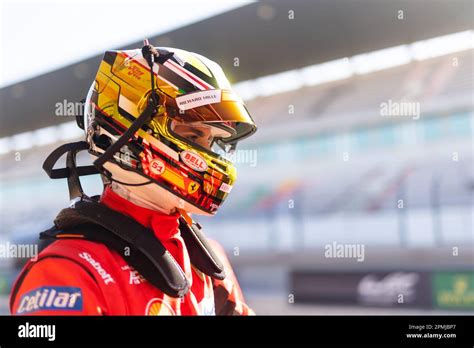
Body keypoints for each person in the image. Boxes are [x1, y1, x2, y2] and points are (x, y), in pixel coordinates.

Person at [9, 42, 257, 315]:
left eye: (212, 141)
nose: (208, 153)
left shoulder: (209, 259)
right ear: (128, 130)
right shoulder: (65, 273)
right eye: (192, 136)